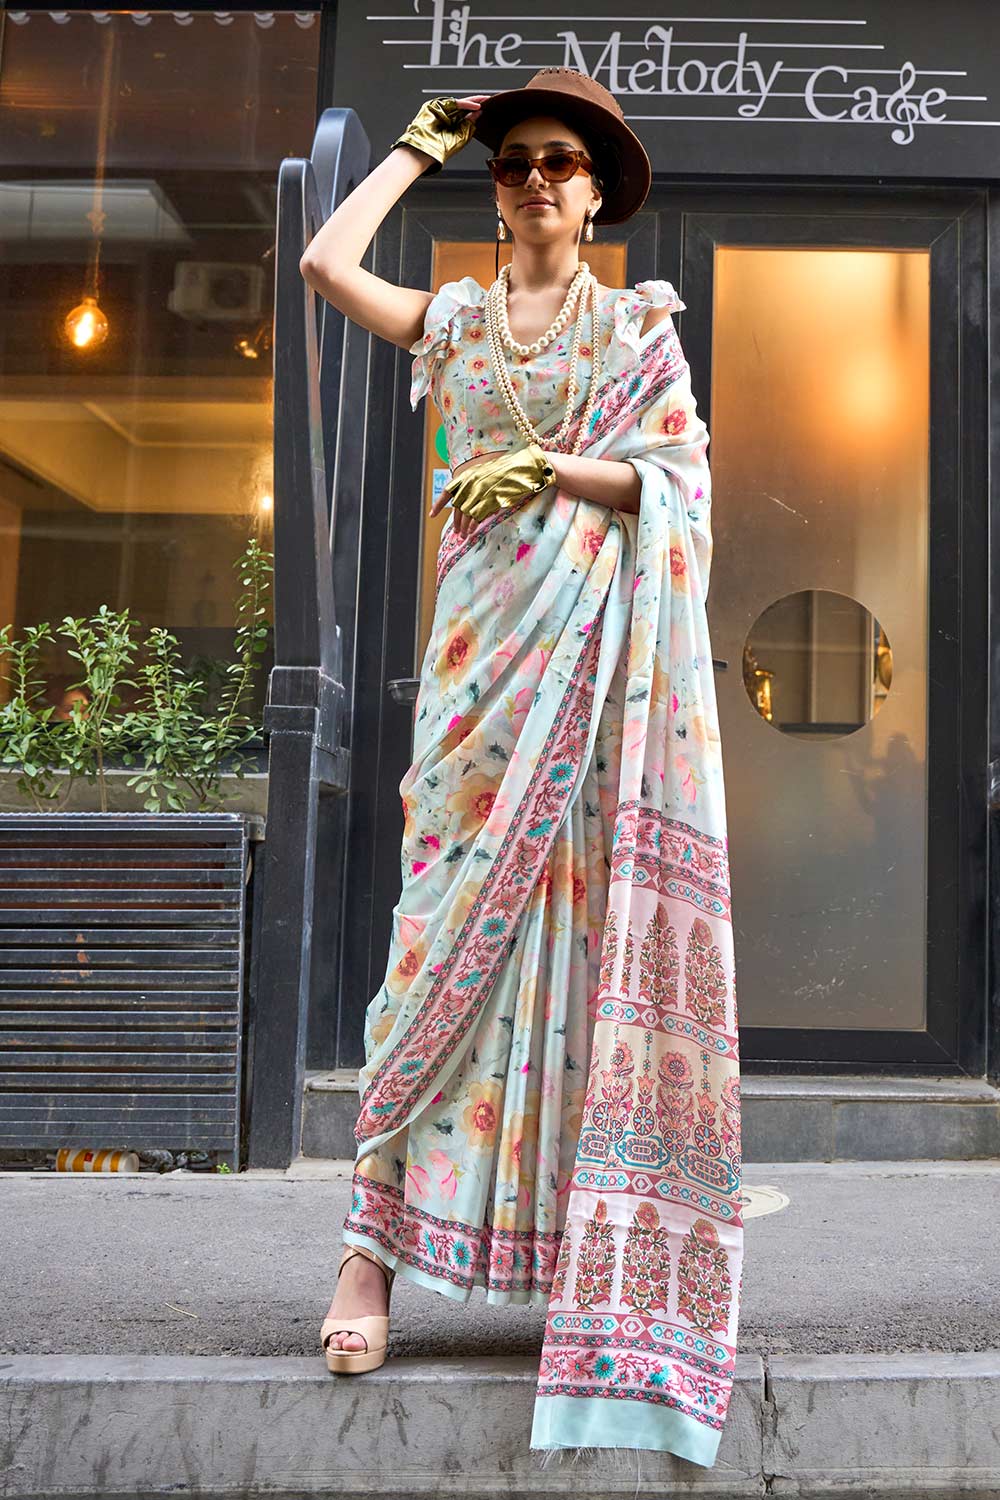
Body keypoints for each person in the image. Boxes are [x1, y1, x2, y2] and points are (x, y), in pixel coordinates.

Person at [299, 67, 744, 1469]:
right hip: (477, 674)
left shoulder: (636, 330)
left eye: (561, 162)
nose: (537, 180)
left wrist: (550, 467)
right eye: (514, 164)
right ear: (493, 190)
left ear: (597, 192)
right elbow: (324, 267)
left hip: (592, 680)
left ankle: (565, 1258)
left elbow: (683, 485)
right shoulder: (453, 320)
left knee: (570, 962)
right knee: (433, 946)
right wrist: (414, 150)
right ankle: (370, 1250)